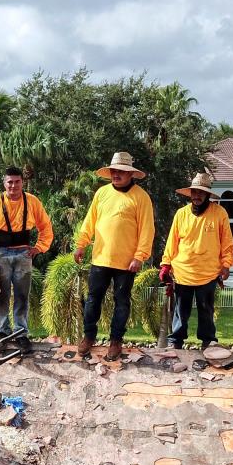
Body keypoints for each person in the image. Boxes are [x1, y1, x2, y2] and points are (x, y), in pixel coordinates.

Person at [73, 151, 155, 362]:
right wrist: (81, 244)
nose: (116, 174)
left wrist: (140, 256)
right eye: (114, 171)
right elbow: (89, 221)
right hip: (100, 258)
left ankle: (116, 341)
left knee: (122, 302)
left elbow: (147, 230)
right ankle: (88, 336)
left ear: (130, 174)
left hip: (127, 263)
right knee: (92, 300)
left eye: (121, 171)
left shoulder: (141, 197)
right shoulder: (102, 193)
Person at [0, 166, 53, 350]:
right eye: (10, 182)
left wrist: (39, 247)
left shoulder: (32, 201)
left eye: (17, 182)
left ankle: (21, 332)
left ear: (22, 182)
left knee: (22, 295)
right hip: (0, 254)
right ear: (4, 183)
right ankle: (2, 333)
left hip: (23, 254)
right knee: (1, 295)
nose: (13, 185)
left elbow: (46, 226)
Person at [159, 172, 233, 350]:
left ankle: (208, 341)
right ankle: (176, 341)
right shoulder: (181, 214)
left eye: (201, 192)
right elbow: (172, 241)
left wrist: (226, 264)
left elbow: (227, 242)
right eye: (194, 192)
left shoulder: (219, 213)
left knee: (206, 310)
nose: (197, 195)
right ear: (190, 193)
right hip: (182, 271)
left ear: (208, 194)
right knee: (180, 311)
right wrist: (166, 264)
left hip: (208, 273)